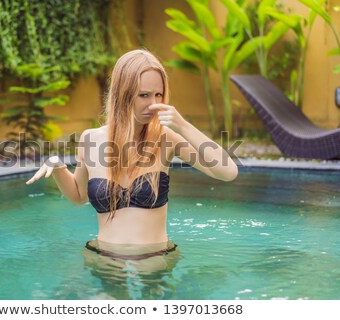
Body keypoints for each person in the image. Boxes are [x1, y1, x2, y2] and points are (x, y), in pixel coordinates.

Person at [26, 49, 238, 263]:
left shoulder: (166, 139)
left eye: (158, 95)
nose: (153, 104)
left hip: (154, 260)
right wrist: (58, 167)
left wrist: (183, 125)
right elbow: (79, 196)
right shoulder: (91, 140)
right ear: (123, 94)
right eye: (144, 95)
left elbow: (228, 172)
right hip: (103, 258)